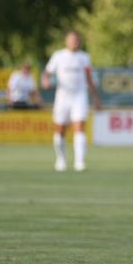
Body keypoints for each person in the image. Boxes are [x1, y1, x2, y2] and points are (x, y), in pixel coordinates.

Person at [42, 31, 101, 172]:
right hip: (62, 97)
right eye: (72, 40)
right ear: (66, 41)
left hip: (79, 96)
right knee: (60, 129)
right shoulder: (58, 56)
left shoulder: (84, 57)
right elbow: (47, 72)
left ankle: (79, 162)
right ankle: (61, 159)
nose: (75, 42)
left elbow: (89, 78)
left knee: (80, 127)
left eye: (77, 40)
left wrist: (95, 98)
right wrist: (45, 80)